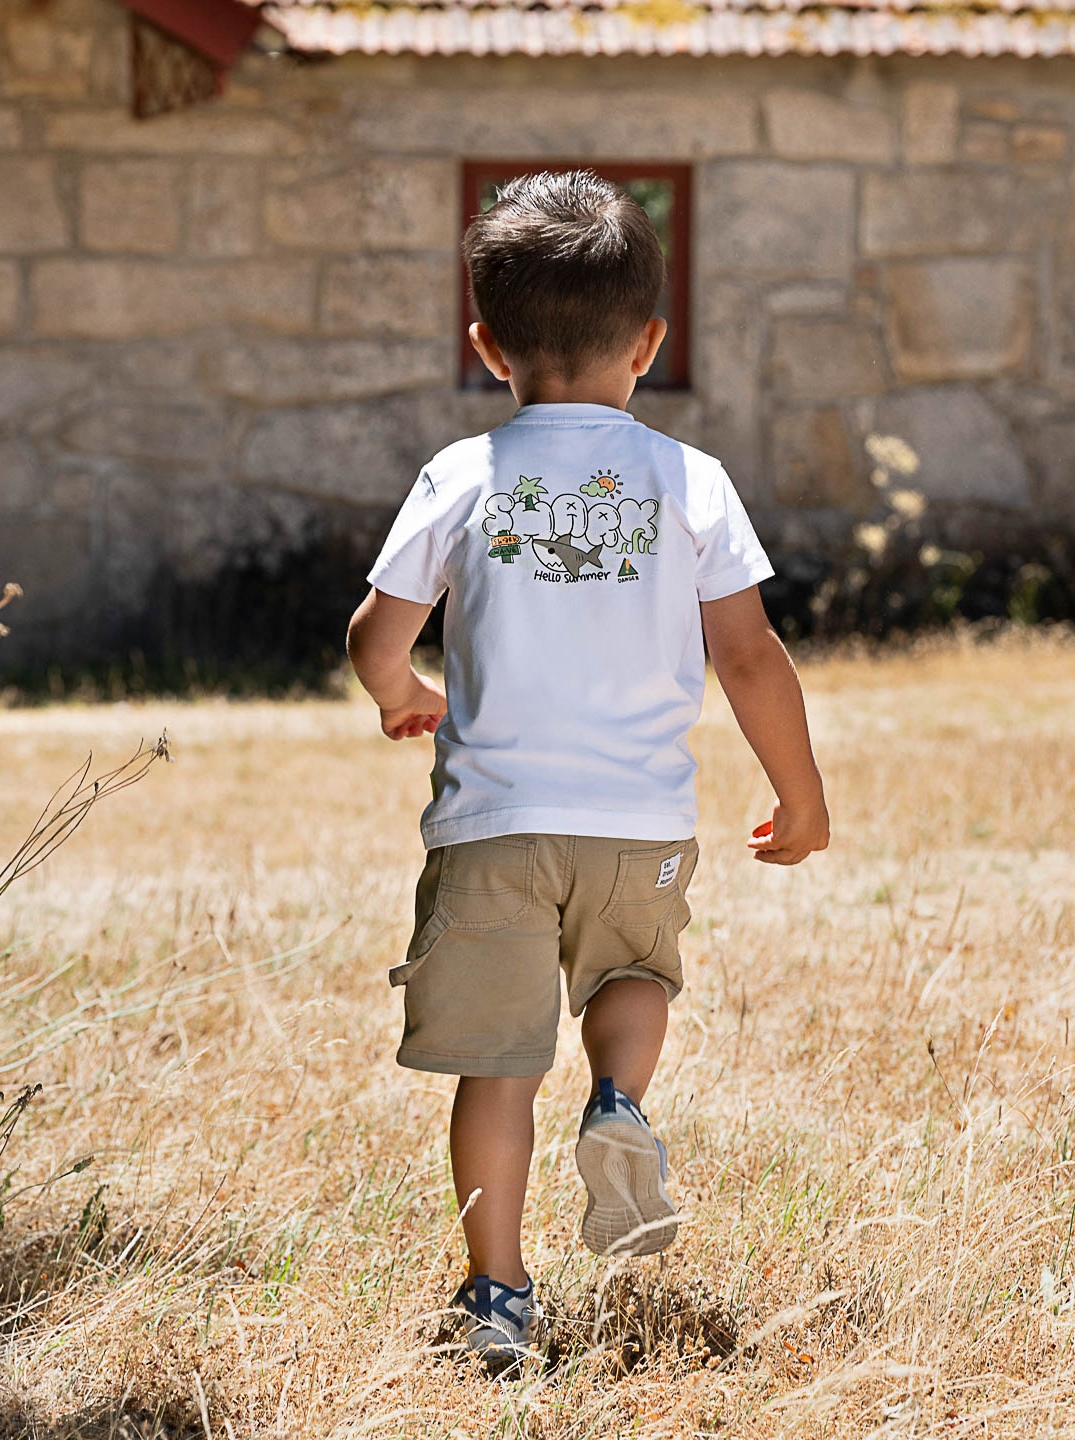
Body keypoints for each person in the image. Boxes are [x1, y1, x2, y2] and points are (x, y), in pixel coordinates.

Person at [346, 170, 829, 1372]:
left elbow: (374, 636)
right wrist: (802, 793)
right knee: (633, 977)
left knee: (498, 1069)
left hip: (494, 828)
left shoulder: (462, 474)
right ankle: (618, 1099)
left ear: (485, 345)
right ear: (650, 344)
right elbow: (749, 656)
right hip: (638, 822)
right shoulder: (690, 479)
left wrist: (405, 696)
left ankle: (499, 1296)